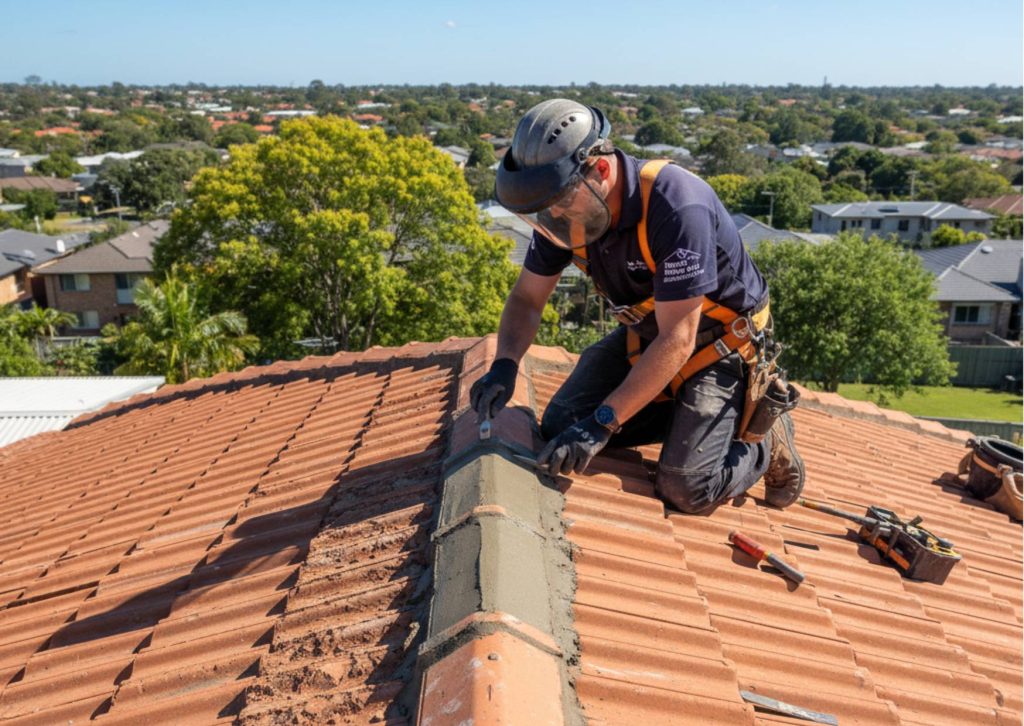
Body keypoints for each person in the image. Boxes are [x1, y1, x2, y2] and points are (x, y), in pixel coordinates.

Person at [470, 99, 804, 513]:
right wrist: (505, 362)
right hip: (649, 336)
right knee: (560, 427)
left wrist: (603, 423)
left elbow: (679, 340)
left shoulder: (676, 204)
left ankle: (762, 444)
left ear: (602, 171)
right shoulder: (567, 213)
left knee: (686, 487)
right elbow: (526, 298)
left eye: (560, 202)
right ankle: (692, 422)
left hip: (720, 351)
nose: (553, 215)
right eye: (546, 208)